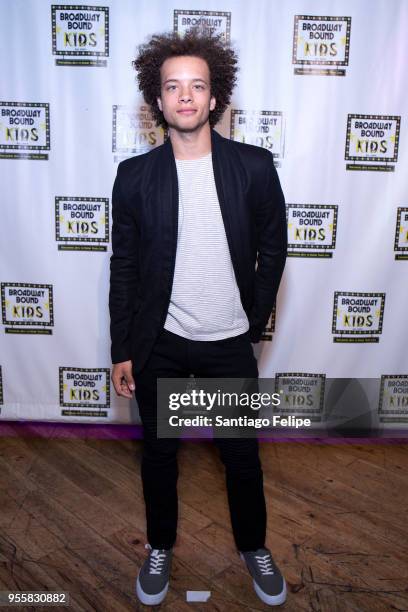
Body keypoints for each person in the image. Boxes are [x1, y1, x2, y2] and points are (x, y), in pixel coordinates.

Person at [109, 29, 288, 607]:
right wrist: (123, 347)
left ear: (215, 98)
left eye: (197, 86)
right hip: (160, 344)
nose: (185, 97)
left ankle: (253, 547)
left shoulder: (255, 168)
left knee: (240, 454)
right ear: (157, 101)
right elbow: (125, 270)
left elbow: (274, 250)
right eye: (172, 87)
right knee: (160, 455)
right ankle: (160, 545)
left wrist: (251, 318)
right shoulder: (134, 178)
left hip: (227, 342)